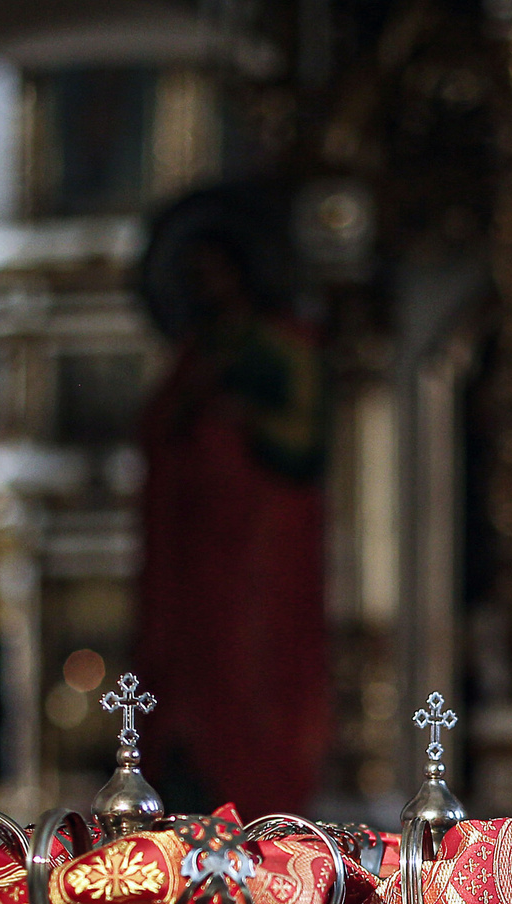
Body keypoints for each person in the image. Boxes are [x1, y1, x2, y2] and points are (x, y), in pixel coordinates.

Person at [132, 229, 330, 816]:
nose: (208, 286)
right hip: (195, 554)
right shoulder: (198, 354)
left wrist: (237, 420)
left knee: (256, 685)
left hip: (261, 553)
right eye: (197, 276)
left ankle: (266, 813)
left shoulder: (284, 346)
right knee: (195, 687)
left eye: (216, 269)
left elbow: (302, 442)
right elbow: (159, 431)